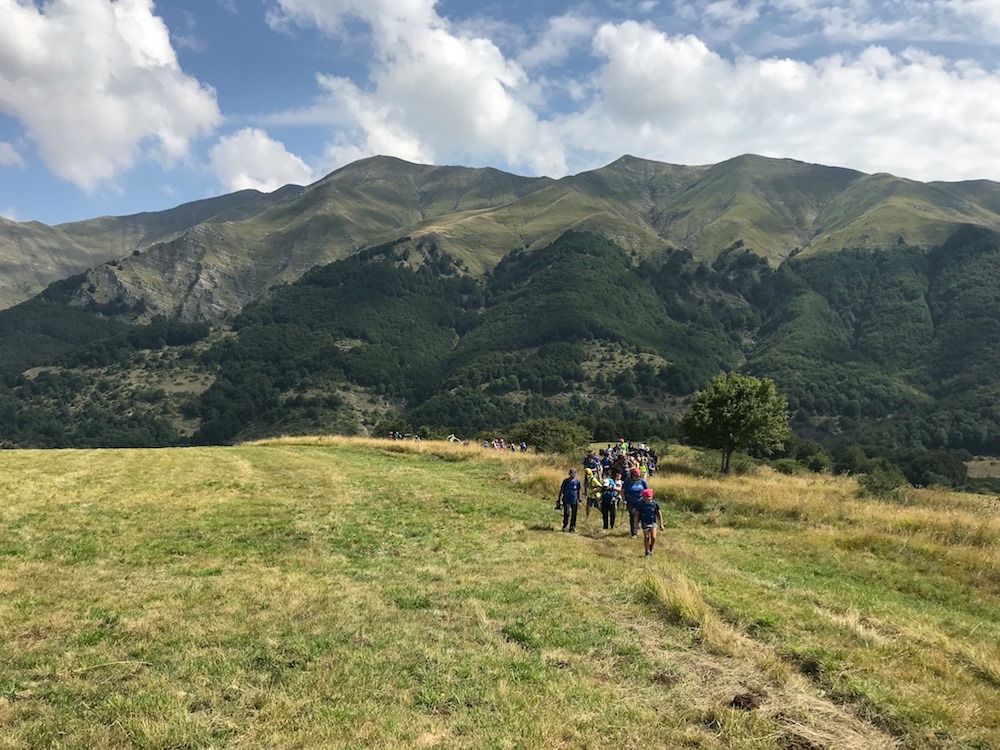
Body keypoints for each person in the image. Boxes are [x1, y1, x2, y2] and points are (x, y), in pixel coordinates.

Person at [637, 488, 664, 557]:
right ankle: (647, 552)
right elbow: (637, 514)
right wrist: (636, 523)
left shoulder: (654, 504)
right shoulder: (641, 504)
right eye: (646, 497)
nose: (648, 498)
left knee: (653, 537)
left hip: (653, 522)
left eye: (649, 496)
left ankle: (651, 546)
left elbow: (659, 514)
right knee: (646, 537)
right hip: (644, 522)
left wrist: (661, 523)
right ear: (643, 497)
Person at [622, 467, 649, 538]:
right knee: (633, 515)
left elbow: (647, 492)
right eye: (635, 476)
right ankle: (634, 533)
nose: (637, 477)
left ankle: (638, 525)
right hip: (631, 501)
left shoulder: (643, 482)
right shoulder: (628, 480)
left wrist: (647, 500)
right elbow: (623, 490)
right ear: (632, 475)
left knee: (640, 516)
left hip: (640, 502)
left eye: (638, 476)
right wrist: (624, 499)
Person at [556, 468, 581, 532]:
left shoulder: (577, 482)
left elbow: (579, 491)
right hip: (566, 499)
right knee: (566, 513)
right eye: (571, 474)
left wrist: (579, 500)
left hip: (574, 500)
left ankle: (572, 528)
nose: (572, 475)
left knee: (574, 514)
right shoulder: (566, 481)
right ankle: (565, 525)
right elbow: (561, 490)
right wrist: (559, 499)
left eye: (573, 474)